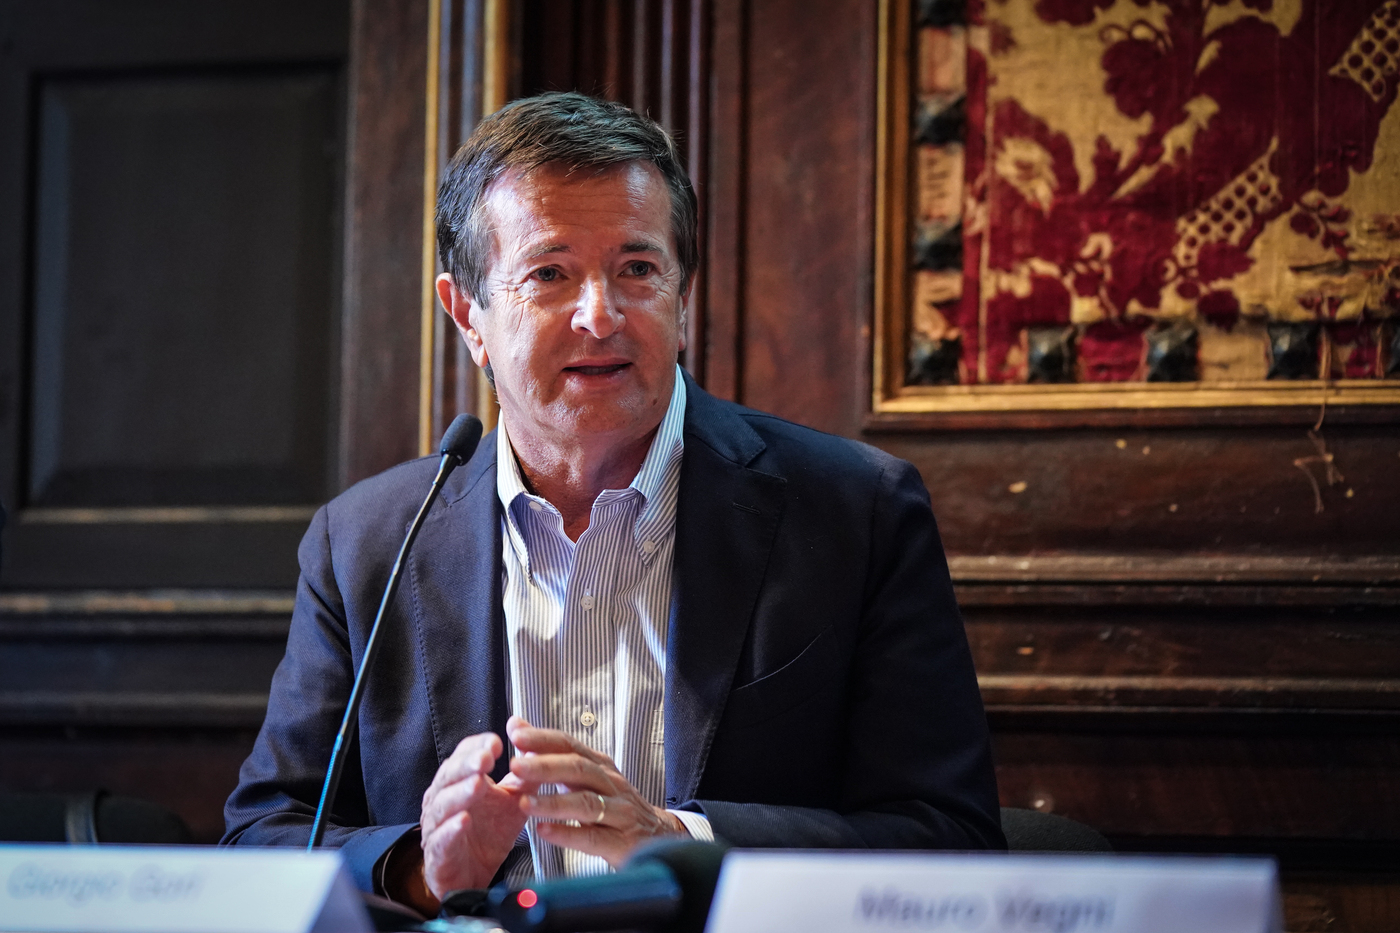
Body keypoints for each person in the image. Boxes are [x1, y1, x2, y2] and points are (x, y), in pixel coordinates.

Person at [223, 92, 1003, 916]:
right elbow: (262, 840)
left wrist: (679, 840)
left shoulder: (855, 513)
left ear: (682, 298)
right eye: (549, 274)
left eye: (637, 269)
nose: (600, 315)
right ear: (468, 316)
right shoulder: (367, 544)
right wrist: (420, 867)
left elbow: (950, 838)